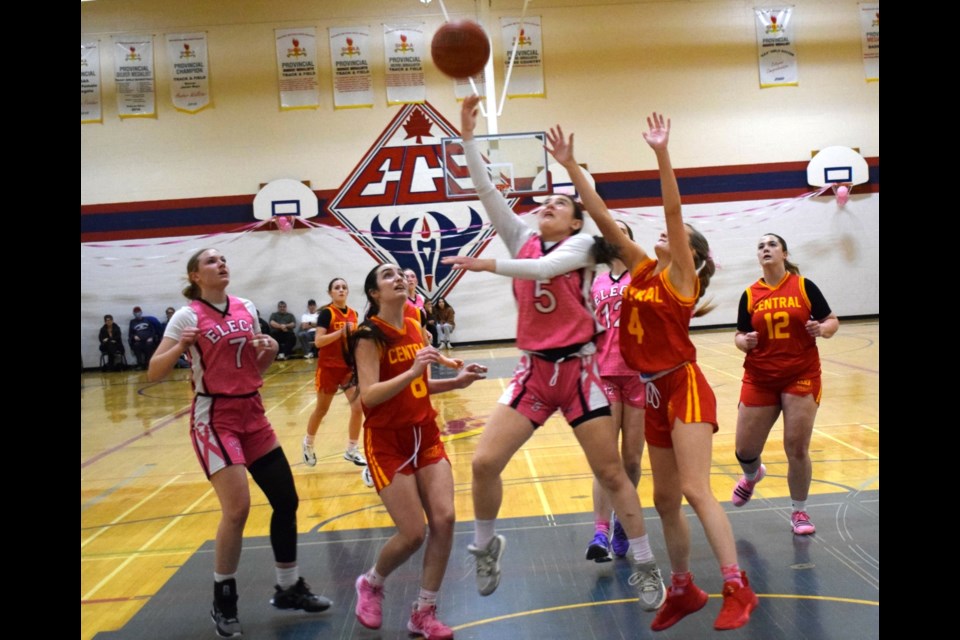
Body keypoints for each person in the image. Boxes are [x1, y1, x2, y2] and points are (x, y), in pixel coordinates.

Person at [443, 95, 666, 612]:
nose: (548, 206)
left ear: (573, 221)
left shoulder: (585, 247)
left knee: (612, 473)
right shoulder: (521, 236)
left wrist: (484, 266)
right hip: (533, 374)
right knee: (482, 464)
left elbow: (542, 273)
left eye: (560, 205)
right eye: (544, 203)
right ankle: (485, 546)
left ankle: (645, 561)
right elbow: (486, 192)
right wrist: (469, 139)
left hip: (581, 372)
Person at [549, 113, 758, 631]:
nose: (665, 234)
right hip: (651, 391)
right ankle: (684, 587)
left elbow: (672, 208)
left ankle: (736, 584)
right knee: (664, 499)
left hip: (683, 384)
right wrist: (573, 167)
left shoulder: (681, 277)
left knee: (693, 489)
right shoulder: (641, 268)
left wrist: (662, 154)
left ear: (692, 253)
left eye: (676, 235)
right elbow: (600, 216)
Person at [148, 248, 331, 638]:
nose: (222, 264)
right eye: (212, 262)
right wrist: (182, 346)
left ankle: (288, 588)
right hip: (215, 420)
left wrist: (268, 353)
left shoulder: (246, 307)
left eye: (224, 259)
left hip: (253, 413)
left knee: (286, 500)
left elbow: (252, 368)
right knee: (238, 509)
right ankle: (224, 601)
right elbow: (153, 371)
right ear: (196, 276)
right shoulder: (186, 316)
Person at [347, 263, 487, 640]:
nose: (398, 279)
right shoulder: (368, 335)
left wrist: (457, 382)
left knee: (445, 519)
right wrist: (410, 372)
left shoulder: (412, 325)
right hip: (387, 441)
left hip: (424, 433)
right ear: (375, 293)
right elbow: (370, 395)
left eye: (399, 274)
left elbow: (420, 386)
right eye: (387, 276)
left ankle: (424, 612)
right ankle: (372, 582)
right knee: (412, 534)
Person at [731, 234, 839, 535]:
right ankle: (752, 476)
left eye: (771, 245)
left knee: (796, 447)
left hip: (800, 373)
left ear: (784, 253)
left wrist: (822, 329)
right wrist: (745, 342)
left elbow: (832, 320)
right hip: (760, 376)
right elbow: (739, 335)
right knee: (744, 449)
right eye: (760, 246)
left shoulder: (804, 286)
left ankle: (799, 511)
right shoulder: (750, 294)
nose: (765, 248)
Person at [585, 221, 646, 563]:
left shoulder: (643, 276)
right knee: (606, 460)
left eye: (620, 230)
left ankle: (625, 517)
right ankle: (600, 531)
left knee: (633, 460)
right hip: (604, 373)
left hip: (638, 374)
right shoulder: (594, 283)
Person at [302, 279, 366, 469]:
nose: (341, 290)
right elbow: (319, 341)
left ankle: (352, 449)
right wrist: (340, 333)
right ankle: (308, 444)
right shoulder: (327, 314)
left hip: (347, 368)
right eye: (337, 288)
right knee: (322, 410)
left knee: (358, 408)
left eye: (344, 287)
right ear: (330, 292)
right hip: (328, 368)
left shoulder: (354, 314)